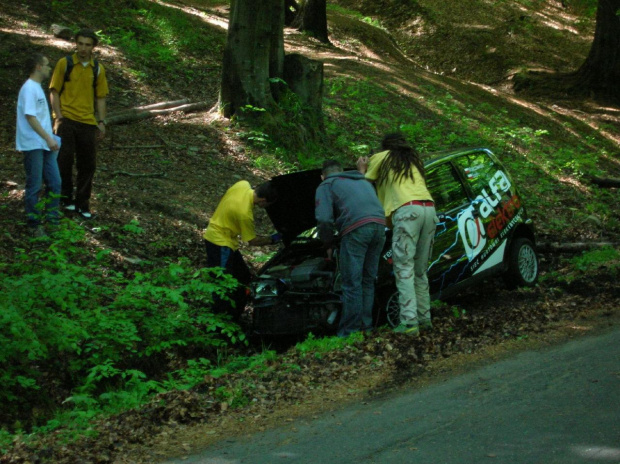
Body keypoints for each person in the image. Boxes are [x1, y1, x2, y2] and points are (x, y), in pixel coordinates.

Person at [357, 133, 437, 336]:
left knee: (403, 267)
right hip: (428, 208)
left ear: (385, 146)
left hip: (407, 211)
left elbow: (363, 186)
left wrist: (361, 169)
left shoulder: (383, 157)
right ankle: (424, 318)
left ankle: (409, 323)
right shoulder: (413, 161)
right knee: (420, 270)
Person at [315, 160, 386, 337]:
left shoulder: (326, 184)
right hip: (379, 227)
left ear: (322, 176)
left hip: (357, 231)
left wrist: (328, 244)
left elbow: (323, 219)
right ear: (342, 170)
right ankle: (366, 328)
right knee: (367, 280)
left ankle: (349, 333)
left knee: (351, 283)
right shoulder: (361, 180)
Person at [50, 28, 109, 220]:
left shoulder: (97, 68)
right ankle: (65, 199)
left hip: (87, 122)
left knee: (88, 164)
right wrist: (58, 117)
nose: (83, 48)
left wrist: (101, 121)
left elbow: (100, 97)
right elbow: (54, 91)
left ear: (93, 47)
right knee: (64, 161)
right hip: (66, 119)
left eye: (87, 44)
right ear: (75, 43)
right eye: (80, 43)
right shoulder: (64, 63)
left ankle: (83, 203)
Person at [203, 180, 280, 319]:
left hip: (225, 239)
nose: (266, 207)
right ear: (263, 200)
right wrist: (273, 239)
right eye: (268, 204)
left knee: (243, 276)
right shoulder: (245, 214)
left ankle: (236, 312)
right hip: (219, 243)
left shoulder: (242, 184)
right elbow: (252, 241)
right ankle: (219, 321)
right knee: (222, 282)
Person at [16, 53, 61, 237]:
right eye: (47, 65)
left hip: (45, 143)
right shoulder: (29, 89)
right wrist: (48, 138)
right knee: (34, 185)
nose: (50, 68)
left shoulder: (37, 87)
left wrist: (50, 138)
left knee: (55, 182)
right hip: (33, 144)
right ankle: (34, 224)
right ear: (38, 67)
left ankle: (52, 220)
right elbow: (30, 117)